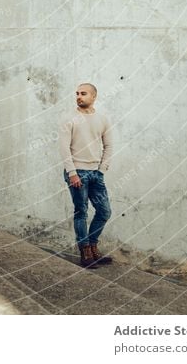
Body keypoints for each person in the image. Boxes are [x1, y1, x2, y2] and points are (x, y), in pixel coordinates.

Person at [58, 83, 114, 268]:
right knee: (81, 211)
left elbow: (109, 146)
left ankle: (92, 245)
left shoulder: (102, 119)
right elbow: (64, 148)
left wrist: (102, 170)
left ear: (94, 96)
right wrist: (72, 173)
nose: (79, 96)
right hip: (77, 172)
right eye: (77, 94)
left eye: (83, 93)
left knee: (104, 211)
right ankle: (85, 252)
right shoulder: (69, 118)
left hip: (96, 173)